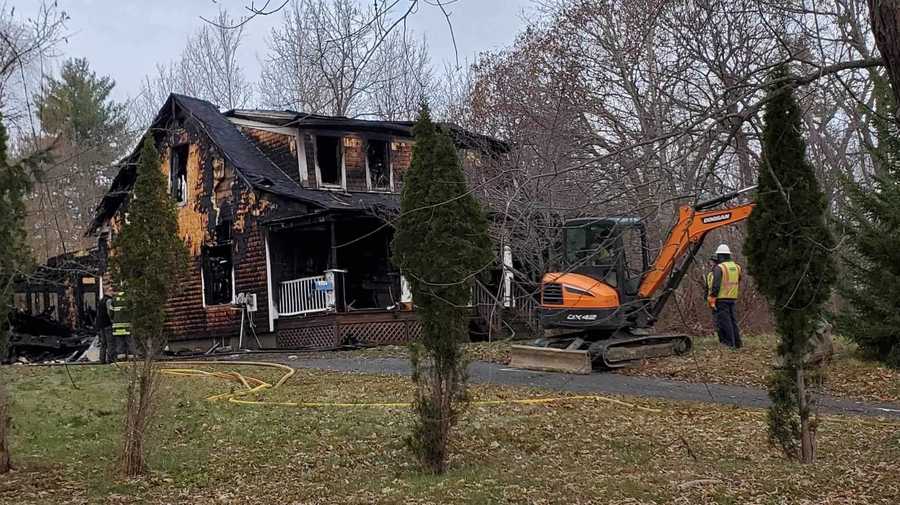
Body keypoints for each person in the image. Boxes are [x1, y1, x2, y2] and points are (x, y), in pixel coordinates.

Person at [706, 244, 743, 349]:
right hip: (732, 298)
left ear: (720, 256)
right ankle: (737, 343)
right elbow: (738, 280)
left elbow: (716, 285)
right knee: (732, 321)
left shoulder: (720, 268)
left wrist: (712, 297)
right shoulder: (737, 267)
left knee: (725, 321)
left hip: (721, 298)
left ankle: (729, 344)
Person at [110, 289, 132, 361]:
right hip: (127, 325)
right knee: (129, 341)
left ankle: (121, 357)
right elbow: (132, 311)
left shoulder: (114, 300)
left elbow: (111, 313)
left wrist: (113, 319)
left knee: (119, 342)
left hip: (117, 326)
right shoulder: (129, 298)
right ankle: (131, 357)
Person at [95, 289, 114, 364]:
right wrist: (112, 320)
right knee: (110, 343)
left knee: (103, 343)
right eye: (112, 291)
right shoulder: (109, 300)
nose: (113, 293)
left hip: (101, 325)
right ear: (108, 292)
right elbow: (109, 312)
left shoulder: (100, 301)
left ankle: (102, 359)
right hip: (107, 324)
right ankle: (110, 359)